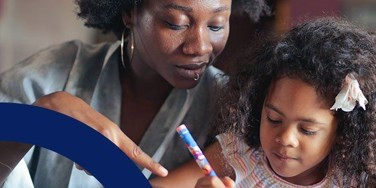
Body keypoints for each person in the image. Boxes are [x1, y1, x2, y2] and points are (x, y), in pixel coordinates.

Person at [0, 0, 274, 187]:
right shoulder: (50, 75)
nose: (200, 47)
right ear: (130, 12)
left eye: (215, 26)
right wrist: (33, 122)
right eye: (177, 23)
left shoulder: (233, 110)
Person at [150, 17, 376, 187]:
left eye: (307, 130)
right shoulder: (240, 153)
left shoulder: (352, 180)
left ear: (343, 131)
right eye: (274, 119)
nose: (285, 138)